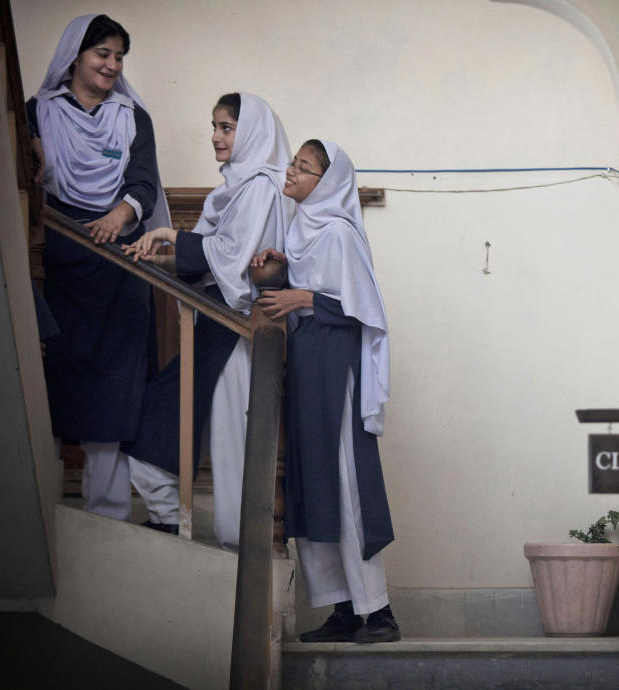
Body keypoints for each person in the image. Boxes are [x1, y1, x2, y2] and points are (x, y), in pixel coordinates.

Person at [121, 93, 294, 549]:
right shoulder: (237, 186)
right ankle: (180, 520)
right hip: (222, 322)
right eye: (214, 126)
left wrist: (172, 236)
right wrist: (165, 249)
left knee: (234, 437)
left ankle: (242, 545)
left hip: (239, 329)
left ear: (251, 132)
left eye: (227, 127)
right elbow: (214, 251)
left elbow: (236, 260)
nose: (216, 137)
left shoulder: (261, 185)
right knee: (188, 417)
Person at [252, 139, 399, 643]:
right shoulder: (299, 230)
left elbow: (366, 312)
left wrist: (304, 295)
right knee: (312, 481)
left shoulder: (339, 232)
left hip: (336, 368)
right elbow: (295, 292)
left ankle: (377, 612)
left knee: (346, 482)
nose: (291, 171)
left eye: (304, 167)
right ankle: (340, 609)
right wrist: (279, 269)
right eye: (294, 162)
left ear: (326, 183)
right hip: (307, 362)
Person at [27, 14, 169, 521]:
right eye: (102, 54)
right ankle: (42, 512)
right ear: (75, 56)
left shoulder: (133, 118)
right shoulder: (36, 114)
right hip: (59, 270)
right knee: (52, 385)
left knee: (114, 390)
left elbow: (145, 182)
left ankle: (107, 514)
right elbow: (23, 176)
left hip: (119, 269)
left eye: (118, 56)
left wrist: (120, 213)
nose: (111, 65)